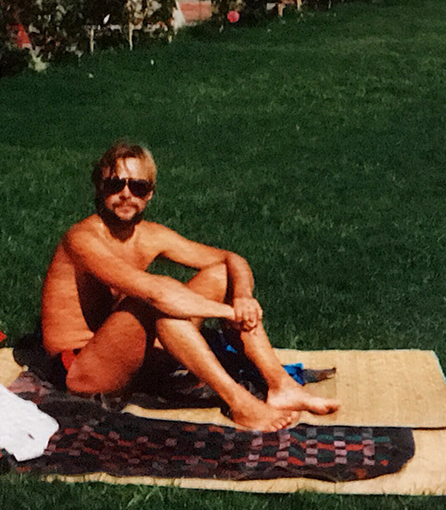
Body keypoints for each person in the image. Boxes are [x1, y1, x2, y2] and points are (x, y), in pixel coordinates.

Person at [40, 141, 339, 431]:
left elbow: (231, 259)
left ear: (150, 194)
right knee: (152, 301)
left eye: (138, 187)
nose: (126, 194)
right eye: (115, 184)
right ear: (99, 187)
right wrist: (229, 313)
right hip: (81, 370)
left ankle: (281, 385)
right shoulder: (81, 239)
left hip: (128, 356)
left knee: (220, 276)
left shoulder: (151, 235)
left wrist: (243, 297)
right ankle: (239, 402)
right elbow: (154, 292)